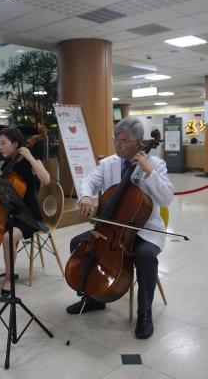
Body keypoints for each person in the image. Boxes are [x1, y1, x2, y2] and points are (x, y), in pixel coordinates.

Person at [65, 116, 174, 340]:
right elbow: (88, 181)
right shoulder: (109, 163)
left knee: (144, 256)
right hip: (112, 229)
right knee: (78, 243)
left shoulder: (156, 164)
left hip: (145, 229)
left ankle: (145, 313)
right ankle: (93, 298)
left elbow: (167, 198)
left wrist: (149, 171)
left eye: (123, 140)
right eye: (116, 138)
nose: (118, 144)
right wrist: (85, 196)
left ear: (138, 142)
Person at [0, 127, 51, 297]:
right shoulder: (7, 163)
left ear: (15, 144)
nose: (0, 147)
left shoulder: (31, 161)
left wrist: (30, 156)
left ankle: (9, 277)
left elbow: (46, 179)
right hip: (10, 211)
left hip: (29, 216)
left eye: (3, 143)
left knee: (8, 237)